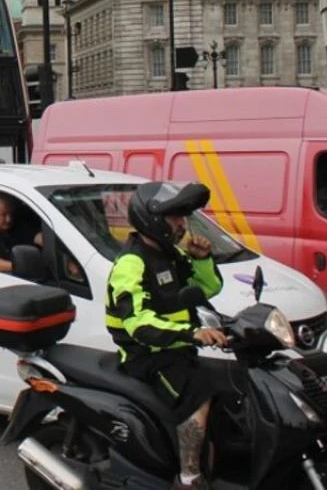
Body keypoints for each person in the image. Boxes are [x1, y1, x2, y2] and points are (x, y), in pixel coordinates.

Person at [105, 181, 226, 489]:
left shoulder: (170, 255)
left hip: (174, 348)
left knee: (230, 387)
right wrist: (192, 333)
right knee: (198, 396)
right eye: (175, 217)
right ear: (153, 219)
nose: (182, 224)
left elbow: (207, 289)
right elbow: (138, 323)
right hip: (146, 355)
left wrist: (202, 259)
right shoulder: (131, 262)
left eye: (183, 217)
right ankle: (188, 478)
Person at [0, 192, 44, 273]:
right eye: (3, 215)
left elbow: (39, 238)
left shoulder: (19, 228)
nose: (9, 219)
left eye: (10, 214)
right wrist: (17, 266)